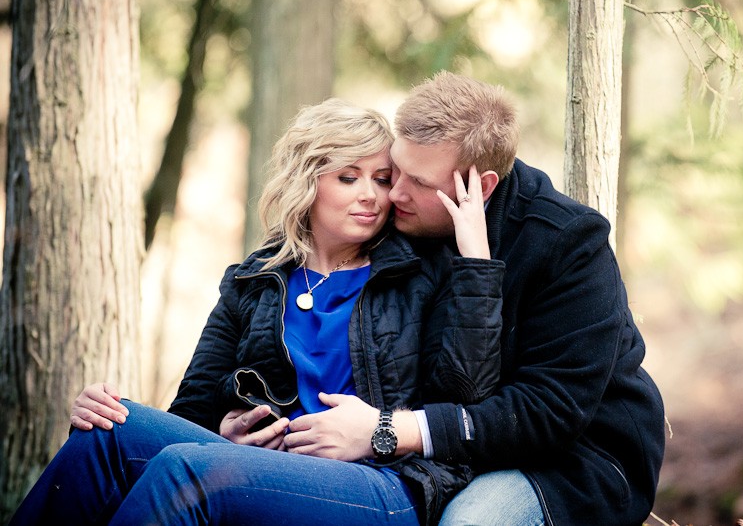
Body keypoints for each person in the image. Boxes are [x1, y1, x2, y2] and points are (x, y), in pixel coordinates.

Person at [11, 98, 505, 526]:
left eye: (382, 179)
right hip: (271, 470)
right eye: (348, 177)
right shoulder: (254, 280)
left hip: (384, 483)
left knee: (189, 472)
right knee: (107, 434)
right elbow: (192, 410)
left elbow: (465, 397)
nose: (371, 196)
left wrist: (476, 264)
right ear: (306, 181)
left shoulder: (417, 272)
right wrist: (223, 435)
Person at [291, 72, 667, 525]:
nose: (395, 194)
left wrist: (388, 429)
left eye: (420, 183)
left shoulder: (569, 242)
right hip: (442, 458)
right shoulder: (412, 218)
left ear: (482, 186)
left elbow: (550, 412)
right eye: (397, 171)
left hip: (569, 462)